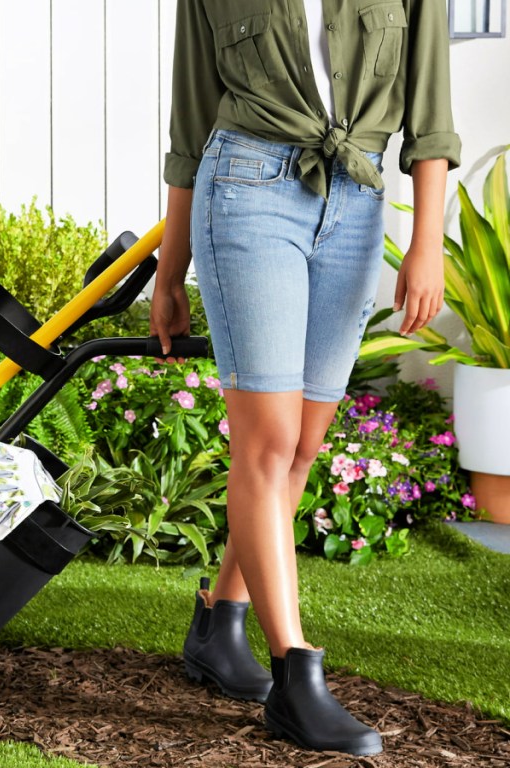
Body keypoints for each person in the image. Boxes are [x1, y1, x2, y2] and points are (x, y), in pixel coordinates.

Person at [149, 0, 460, 757]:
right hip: (247, 193)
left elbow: (431, 115)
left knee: (303, 445)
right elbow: (192, 125)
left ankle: (218, 626)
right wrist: (169, 268)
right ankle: (296, 676)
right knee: (268, 442)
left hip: (356, 203)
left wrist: (427, 242)